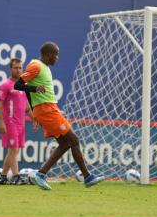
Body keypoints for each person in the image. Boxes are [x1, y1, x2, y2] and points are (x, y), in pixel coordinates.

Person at [14, 41, 104, 190]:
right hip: (47, 110)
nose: (57, 58)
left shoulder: (44, 68)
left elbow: (27, 90)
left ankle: (41, 174)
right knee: (74, 140)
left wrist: (34, 109)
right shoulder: (36, 66)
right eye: (56, 55)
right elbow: (18, 85)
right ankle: (87, 177)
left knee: (65, 144)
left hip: (46, 109)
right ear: (49, 54)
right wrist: (36, 92)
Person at [0, 58, 43, 185]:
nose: (18, 70)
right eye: (15, 67)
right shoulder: (5, 85)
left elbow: (27, 107)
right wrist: (0, 122)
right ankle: (16, 176)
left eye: (20, 67)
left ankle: (3, 177)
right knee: (14, 150)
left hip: (20, 123)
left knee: (13, 151)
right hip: (9, 122)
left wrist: (34, 119)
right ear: (10, 69)